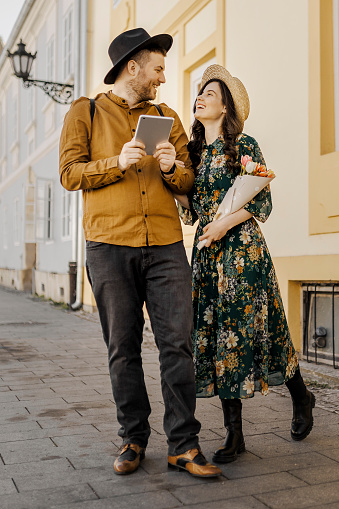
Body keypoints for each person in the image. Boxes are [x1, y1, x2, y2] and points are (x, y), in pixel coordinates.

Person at [59, 28, 221, 478]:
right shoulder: (85, 112)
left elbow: (190, 182)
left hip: (167, 244)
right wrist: (117, 163)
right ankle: (133, 437)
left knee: (178, 343)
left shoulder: (167, 115)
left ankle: (184, 445)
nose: (163, 78)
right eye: (158, 69)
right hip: (109, 244)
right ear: (133, 67)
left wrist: (173, 168)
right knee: (122, 347)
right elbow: (69, 173)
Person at [178, 64, 315, 464]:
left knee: (262, 330)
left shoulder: (245, 145)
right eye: (199, 92)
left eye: (210, 94)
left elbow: (258, 199)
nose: (200, 97)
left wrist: (223, 223)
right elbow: (192, 207)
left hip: (242, 252)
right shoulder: (193, 153)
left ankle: (302, 397)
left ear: (225, 108)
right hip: (207, 254)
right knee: (221, 339)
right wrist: (169, 178)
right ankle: (234, 435)